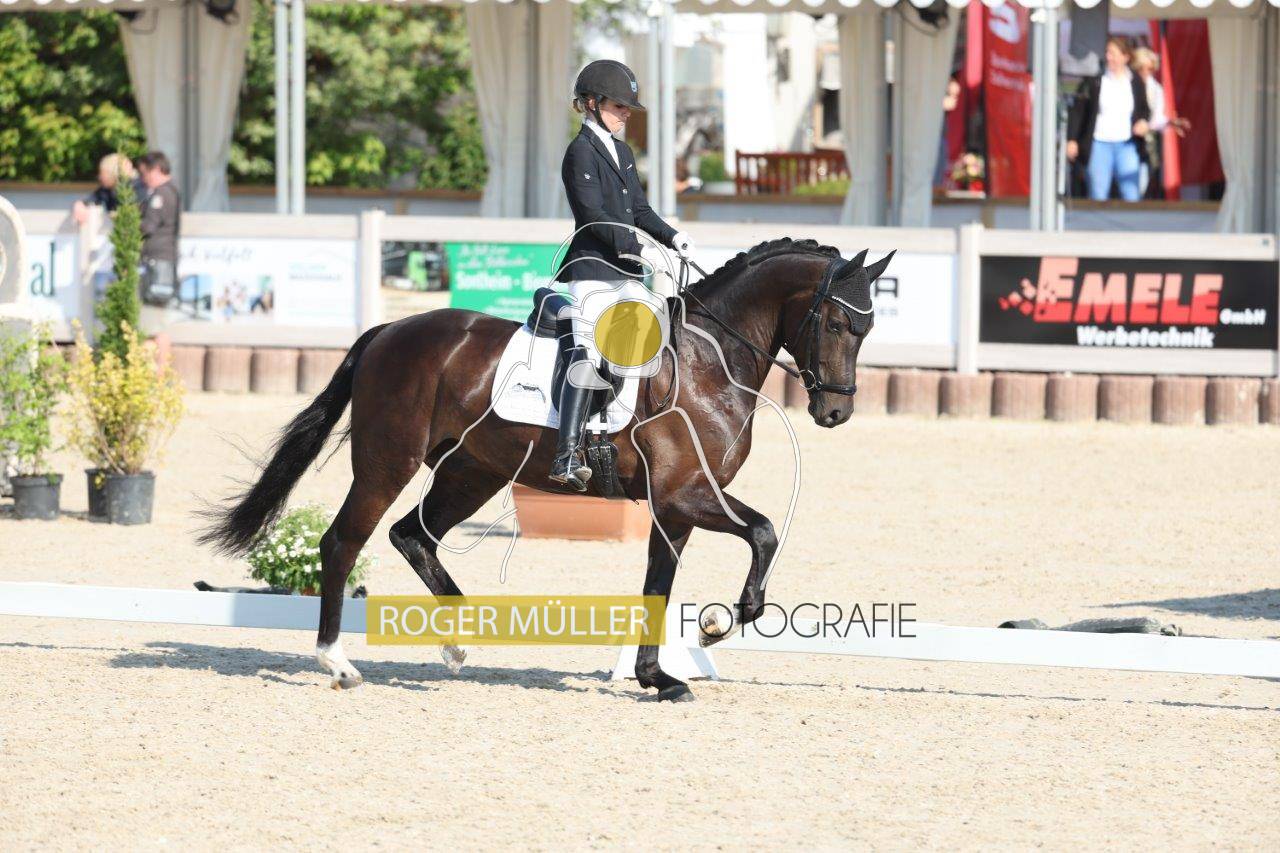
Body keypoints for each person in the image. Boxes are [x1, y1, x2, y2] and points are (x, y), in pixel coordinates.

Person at [548, 59, 693, 491]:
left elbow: (640, 211)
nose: (626, 113)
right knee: (590, 351)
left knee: (657, 335)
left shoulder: (623, 152)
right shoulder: (579, 152)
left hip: (627, 272)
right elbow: (593, 215)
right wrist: (636, 247)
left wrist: (672, 237)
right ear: (592, 104)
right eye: (618, 105)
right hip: (593, 269)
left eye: (627, 106)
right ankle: (566, 454)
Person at [1067, 36, 1151, 202]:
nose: (1108, 57)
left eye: (1113, 53)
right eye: (1107, 52)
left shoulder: (1135, 80)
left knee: (1131, 194)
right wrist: (1072, 139)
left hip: (1127, 145)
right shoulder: (1095, 79)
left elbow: (1144, 109)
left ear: (1125, 57)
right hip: (1099, 144)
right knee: (1098, 193)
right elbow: (1078, 111)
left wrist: (1143, 121)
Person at [1131, 47, 1191, 198]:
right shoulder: (1126, 84)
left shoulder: (1155, 89)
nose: (1146, 72)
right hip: (1123, 139)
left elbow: (1157, 119)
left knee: (1141, 185)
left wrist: (1170, 123)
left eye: (1150, 68)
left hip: (1145, 145)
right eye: (1141, 68)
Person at [136, 151, 181, 307]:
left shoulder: (162, 193)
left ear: (155, 169)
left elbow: (149, 226)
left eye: (144, 173)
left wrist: (129, 222)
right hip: (160, 260)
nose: (143, 179)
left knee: (156, 309)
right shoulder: (170, 190)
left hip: (159, 260)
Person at [71, 153, 138, 225]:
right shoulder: (107, 190)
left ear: (113, 174)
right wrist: (80, 205)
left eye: (102, 173)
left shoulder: (137, 189)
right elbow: (92, 199)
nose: (99, 177)